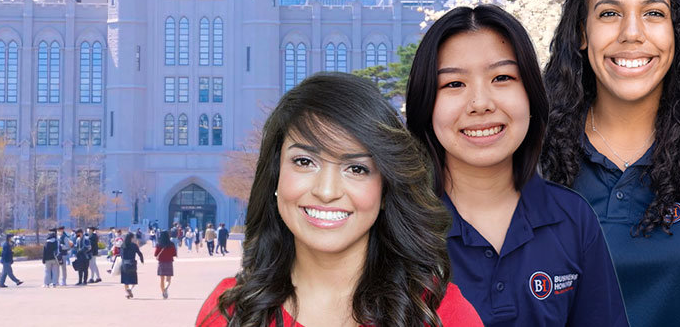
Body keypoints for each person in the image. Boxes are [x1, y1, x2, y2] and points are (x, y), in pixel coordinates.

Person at [197, 73, 482, 326]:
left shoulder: (439, 313)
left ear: (385, 190)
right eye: (305, 161)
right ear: (275, 177)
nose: (327, 190)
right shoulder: (230, 313)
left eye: (356, 168)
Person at [406, 5, 628, 326]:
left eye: (502, 77)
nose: (481, 103)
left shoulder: (572, 220)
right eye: (454, 84)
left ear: (530, 96)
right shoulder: (398, 224)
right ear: (426, 102)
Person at [540, 0, 680, 327]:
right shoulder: (533, 162)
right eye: (609, 14)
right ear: (582, 34)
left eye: (654, 13)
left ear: (678, 32)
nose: (631, 33)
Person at [120, 232, 144, 299]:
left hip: (124, 264)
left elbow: (121, 255)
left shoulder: (123, 245)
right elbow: (139, 253)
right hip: (132, 263)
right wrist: (142, 260)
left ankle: (127, 293)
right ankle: (130, 289)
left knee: (125, 280)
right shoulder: (134, 245)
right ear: (132, 238)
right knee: (133, 280)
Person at [154, 230, 176, 299]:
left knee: (162, 279)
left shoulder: (158, 244)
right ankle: (166, 288)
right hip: (169, 262)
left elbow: (155, 254)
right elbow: (174, 254)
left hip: (161, 263)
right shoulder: (171, 244)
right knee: (168, 279)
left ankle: (163, 292)